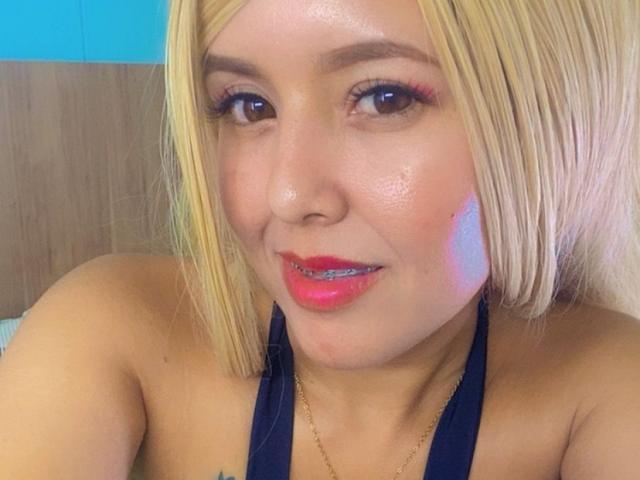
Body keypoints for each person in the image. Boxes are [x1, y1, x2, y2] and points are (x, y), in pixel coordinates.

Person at [1, 0, 639, 478]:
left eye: (385, 98)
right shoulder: (114, 334)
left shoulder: (607, 394)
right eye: (248, 105)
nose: (288, 195)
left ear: (551, 122)